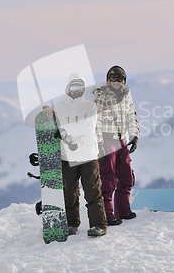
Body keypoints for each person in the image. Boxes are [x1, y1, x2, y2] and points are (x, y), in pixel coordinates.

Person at [43, 74, 107, 237]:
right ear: (67, 88)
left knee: (92, 190)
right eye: (73, 87)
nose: (76, 90)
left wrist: (66, 130)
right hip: (67, 155)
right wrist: (45, 109)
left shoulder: (89, 106)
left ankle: (98, 225)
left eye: (79, 87)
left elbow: (87, 127)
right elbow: (49, 118)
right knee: (69, 191)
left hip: (88, 155)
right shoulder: (59, 106)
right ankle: (71, 223)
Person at [94, 65, 139, 226]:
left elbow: (131, 115)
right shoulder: (102, 95)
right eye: (113, 78)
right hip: (107, 139)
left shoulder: (126, 95)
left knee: (126, 175)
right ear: (108, 80)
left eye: (119, 78)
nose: (116, 81)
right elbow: (96, 119)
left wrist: (134, 136)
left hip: (122, 140)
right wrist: (98, 142)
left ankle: (123, 209)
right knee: (108, 177)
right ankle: (107, 213)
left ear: (124, 81)